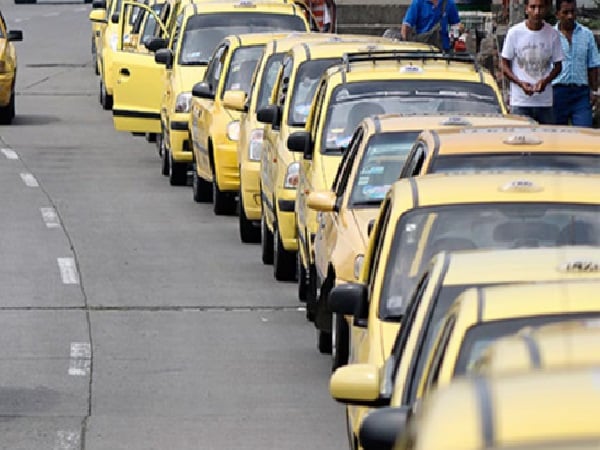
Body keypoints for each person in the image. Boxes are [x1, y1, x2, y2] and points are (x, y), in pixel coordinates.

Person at [501, 0, 564, 124]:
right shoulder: (514, 33)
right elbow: (504, 64)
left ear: (546, 9)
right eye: (533, 7)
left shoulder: (552, 34)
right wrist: (520, 83)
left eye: (540, 7)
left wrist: (545, 82)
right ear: (526, 9)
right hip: (520, 101)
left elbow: (558, 66)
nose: (537, 12)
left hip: (544, 102)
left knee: (547, 139)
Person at [552, 0, 600, 127]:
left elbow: (593, 64)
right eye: (565, 12)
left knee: (585, 131)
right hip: (557, 92)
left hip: (580, 93)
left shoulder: (587, 34)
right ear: (557, 14)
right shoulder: (550, 35)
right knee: (556, 133)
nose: (570, 16)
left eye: (573, 12)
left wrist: (595, 91)